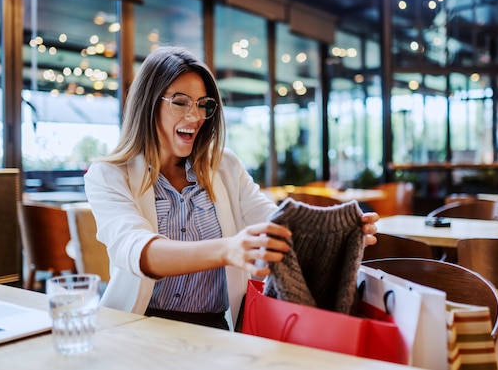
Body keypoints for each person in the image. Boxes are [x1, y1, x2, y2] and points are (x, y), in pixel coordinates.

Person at [84, 46, 378, 330]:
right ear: (148, 103)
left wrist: (338, 236)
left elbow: (274, 225)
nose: (196, 116)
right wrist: (228, 250)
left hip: (215, 329)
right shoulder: (108, 174)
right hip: (136, 326)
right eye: (181, 101)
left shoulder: (225, 166)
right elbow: (137, 251)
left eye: (203, 104)